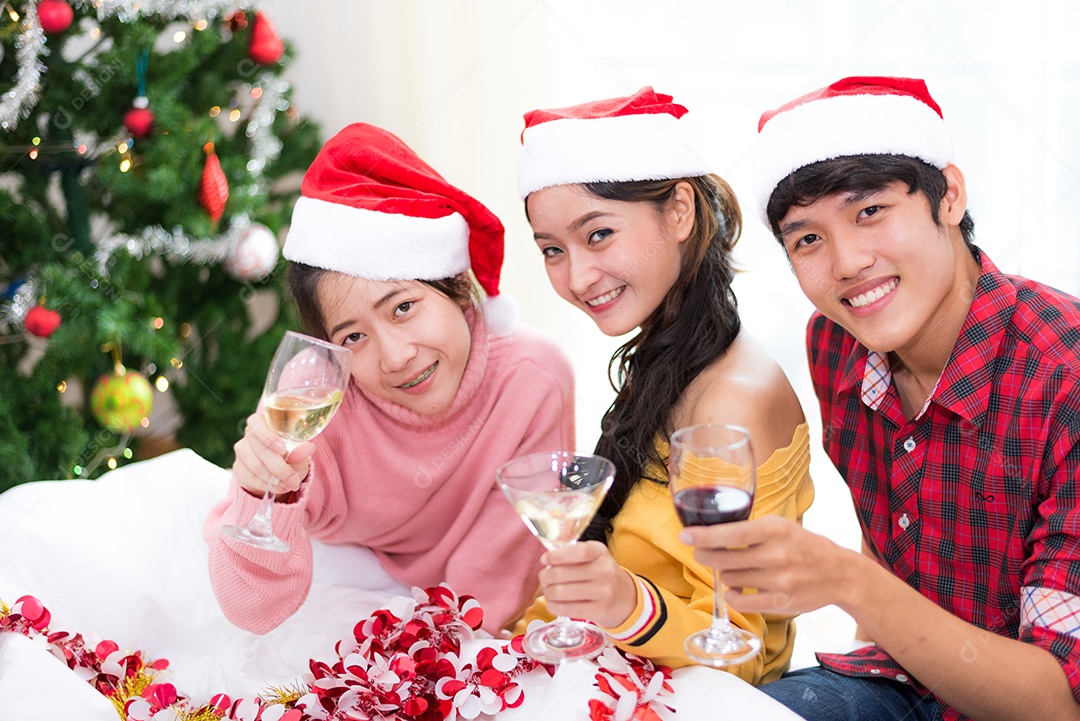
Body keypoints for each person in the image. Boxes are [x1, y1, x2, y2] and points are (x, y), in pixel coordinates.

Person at [680, 75, 1080, 721]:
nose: (846, 262)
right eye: (808, 238)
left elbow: (1059, 702)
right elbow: (892, 531)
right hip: (898, 684)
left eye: (869, 212)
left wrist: (846, 582)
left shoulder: (1065, 378)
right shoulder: (837, 344)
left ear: (948, 196)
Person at [204, 123, 575, 636]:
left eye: (403, 308)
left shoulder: (532, 379)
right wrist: (261, 492)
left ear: (459, 289)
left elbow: (493, 582)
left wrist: (426, 666)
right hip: (327, 578)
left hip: (454, 621)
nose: (397, 358)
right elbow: (254, 611)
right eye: (353, 338)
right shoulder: (317, 397)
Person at [514, 87, 814, 683]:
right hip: (619, 673)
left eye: (598, 234)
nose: (577, 276)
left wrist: (623, 602)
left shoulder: (729, 401)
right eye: (553, 250)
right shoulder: (671, 358)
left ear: (678, 210)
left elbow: (740, 651)